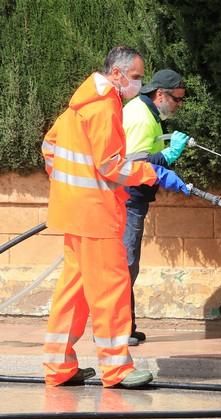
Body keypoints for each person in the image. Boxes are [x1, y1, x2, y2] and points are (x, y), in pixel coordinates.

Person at [41, 46, 190, 388]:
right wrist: (153, 174)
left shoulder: (77, 107)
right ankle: (117, 369)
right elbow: (112, 166)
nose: (139, 84)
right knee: (112, 290)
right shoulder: (105, 106)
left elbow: (50, 149)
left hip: (72, 213)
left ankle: (58, 367)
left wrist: (71, 189)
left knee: (73, 293)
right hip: (97, 216)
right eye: (136, 77)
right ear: (117, 74)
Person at [121, 69, 190, 346]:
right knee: (125, 264)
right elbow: (133, 165)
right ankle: (119, 330)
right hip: (127, 198)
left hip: (132, 197)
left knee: (128, 263)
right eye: (177, 99)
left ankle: (126, 325)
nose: (179, 105)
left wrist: (164, 148)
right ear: (160, 94)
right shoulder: (140, 117)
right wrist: (168, 156)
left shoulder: (146, 112)